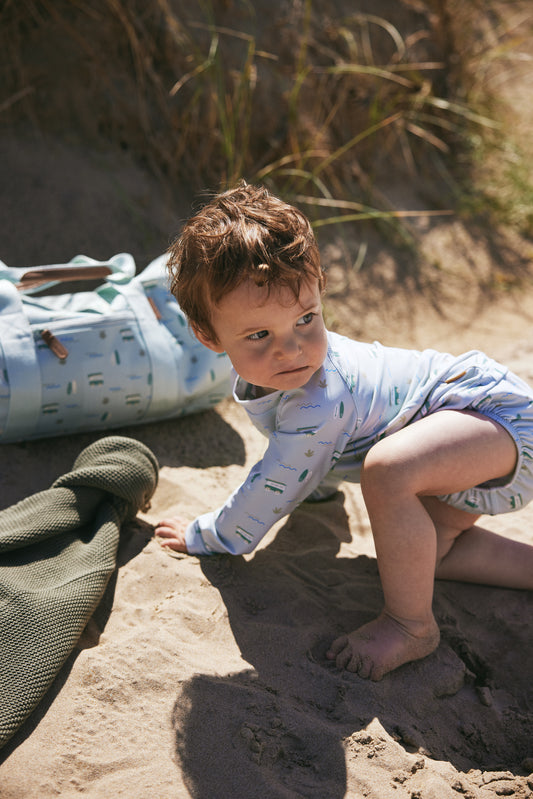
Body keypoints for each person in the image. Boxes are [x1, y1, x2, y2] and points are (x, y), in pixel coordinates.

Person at [155, 181, 533, 681]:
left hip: (498, 420)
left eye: (306, 319)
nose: (291, 349)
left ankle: (410, 624)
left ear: (320, 293)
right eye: (259, 335)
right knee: (427, 553)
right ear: (210, 336)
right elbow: (314, 452)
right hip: (463, 453)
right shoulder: (273, 378)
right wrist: (322, 487)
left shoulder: (319, 398)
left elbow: (277, 481)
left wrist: (212, 535)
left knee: (388, 470)